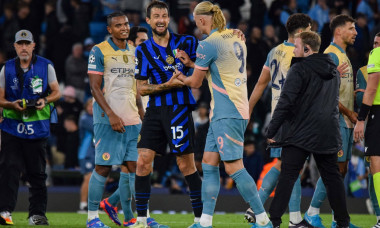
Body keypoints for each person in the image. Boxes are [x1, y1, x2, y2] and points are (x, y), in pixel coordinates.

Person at [174, 1, 273, 228]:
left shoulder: (207, 44)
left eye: (195, 20)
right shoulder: (236, 36)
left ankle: (263, 220)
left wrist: (180, 76)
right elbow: (216, 68)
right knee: (209, 163)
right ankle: (205, 222)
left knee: (233, 166)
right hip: (228, 110)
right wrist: (191, 63)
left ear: (200, 19)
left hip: (228, 111)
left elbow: (196, 82)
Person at [266, 30, 350, 228]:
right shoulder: (332, 70)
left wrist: (272, 130)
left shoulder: (299, 69)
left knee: (288, 175)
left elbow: (286, 102)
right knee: (332, 177)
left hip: (300, 132)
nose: (294, 50)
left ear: (307, 48)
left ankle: (275, 221)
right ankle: (343, 222)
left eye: (296, 46)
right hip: (327, 131)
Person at [130, 1, 203, 227]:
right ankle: (142, 220)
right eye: (156, 16)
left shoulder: (187, 41)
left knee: (186, 166)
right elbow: (141, 88)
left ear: (168, 18)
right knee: (142, 162)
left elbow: (209, 52)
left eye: (164, 15)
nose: (161, 19)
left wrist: (230, 34)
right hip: (155, 110)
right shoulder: (142, 50)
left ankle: (201, 219)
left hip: (179, 109)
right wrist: (168, 85)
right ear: (149, 21)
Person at [245, 13, 312, 227]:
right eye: (309, 30)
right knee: (293, 166)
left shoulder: (274, 51)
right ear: (301, 32)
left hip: (277, 118)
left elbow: (260, 84)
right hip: (294, 118)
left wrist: (248, 108)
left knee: (285, 165)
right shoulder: (301, 52)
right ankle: (293, 220)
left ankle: (256, 207)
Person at [86, 12, 145, 228]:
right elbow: (94, 86)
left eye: (126, 24)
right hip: (108, 120)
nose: (124, 27)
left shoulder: (133, 51)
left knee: (134, 169)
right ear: (109, 29)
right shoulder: (99, 50)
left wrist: (141, 113)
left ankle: (133, 219)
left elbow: (135, 87)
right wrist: (111, 114)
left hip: (132, 120)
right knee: (103, 167)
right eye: (118, 25)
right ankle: (92, 217)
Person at [0, 29, 61, 225]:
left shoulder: (46, 65)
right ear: (15, 46)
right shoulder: (6, 68)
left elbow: (56, 93)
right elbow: (0, 98)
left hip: (37, 128)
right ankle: (4, 211)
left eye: (27, 44)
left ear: (34, 45)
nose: (24, 47)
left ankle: (37, 214)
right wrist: (11, 104)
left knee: (37, 173)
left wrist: (44, 100)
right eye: (20, 44)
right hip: (12, 127)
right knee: (9, 170)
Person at [304, 15, 359, 228]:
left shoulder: (343, 55)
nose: (355, 32)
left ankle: (337, 220)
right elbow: (322, 91)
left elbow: (338, 89)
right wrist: (349, 112)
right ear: (339, 31)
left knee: (340, 170)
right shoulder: (330, 55)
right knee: (334, 170)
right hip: (334, 120)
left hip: (343, 121)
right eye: (351, 28)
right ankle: (312, 213)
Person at [354, 33, 380, 228]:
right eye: (374, 43)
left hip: (376, 112)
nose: (375, 47)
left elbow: (370, 90)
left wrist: (361, 118)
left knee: (376, 163)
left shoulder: (376, 55)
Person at [78, 98, 95, 213]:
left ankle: (94, 205)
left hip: (97, 152)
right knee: (88, 178)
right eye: (89, 106)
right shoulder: (85, 119)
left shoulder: (98, 118)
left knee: (99, 179)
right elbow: (98, 130)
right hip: (86, 152)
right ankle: (83, 205)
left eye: (93, 106)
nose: (91, 108)